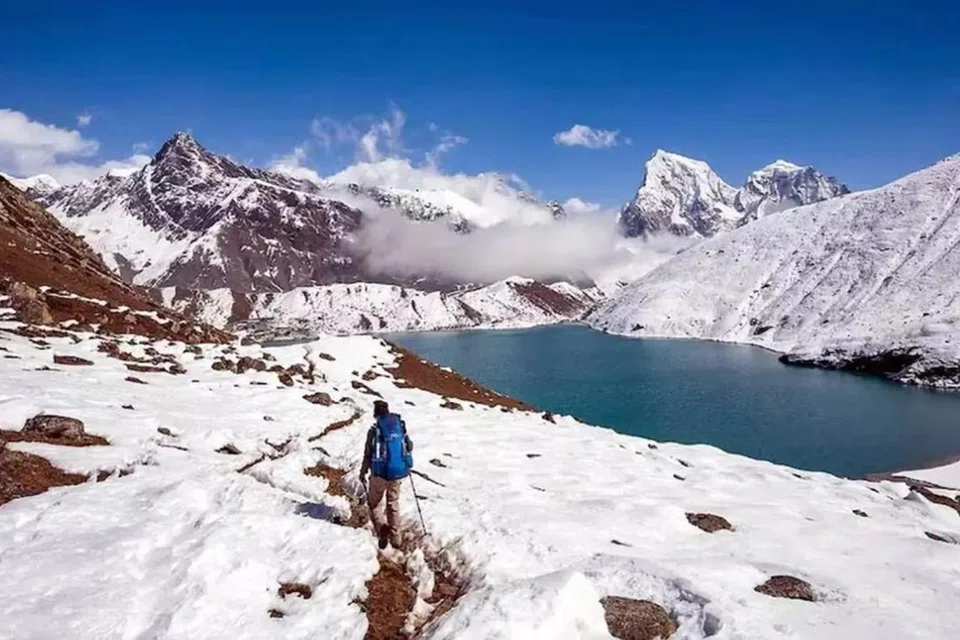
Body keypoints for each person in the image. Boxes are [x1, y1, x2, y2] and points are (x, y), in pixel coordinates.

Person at [359, 400, 413, 549]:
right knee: (393, 503)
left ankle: (382, 528)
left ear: (375, 414)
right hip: (397, 472)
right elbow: (409, 446)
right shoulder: (399, 426)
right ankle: (396, 539)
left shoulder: (374, 431)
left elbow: (367, 454)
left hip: (379, 474)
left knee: (374, 504)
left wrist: (363, 471)